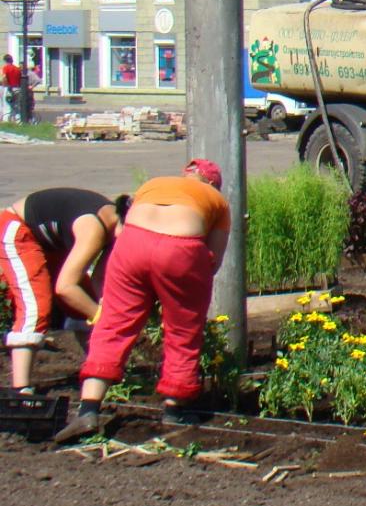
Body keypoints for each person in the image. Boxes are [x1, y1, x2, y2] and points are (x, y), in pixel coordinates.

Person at [53, 160, 229, 442]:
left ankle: (88, 409)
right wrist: (180, 290)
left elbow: (122, 233)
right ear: (211, 183)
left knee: (113, 323)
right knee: (183, 329)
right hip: (181, 248)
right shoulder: (216, 200)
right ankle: (175, 407)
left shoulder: (153, 185)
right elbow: (214, 261)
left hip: (131, 246)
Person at [2, 189, 124, 393]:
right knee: (35, 305)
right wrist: (101, 317)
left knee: (84, 300)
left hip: (52, 244)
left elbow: (100, 280)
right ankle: (20, 390)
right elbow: (65, 288)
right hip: (18, 230)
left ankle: (99, 369)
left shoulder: (115, 228)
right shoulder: (94, 229)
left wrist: (104, 307)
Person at [1, 53, 22, 123]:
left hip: (8, 88)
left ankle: (6, 121)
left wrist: (5, 85)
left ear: (5, 61)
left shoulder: (5, 68)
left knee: (7, 105)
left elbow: (4, 77)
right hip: (17, 88)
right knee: (16, 105)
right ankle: (18, 121)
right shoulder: (17, 69)